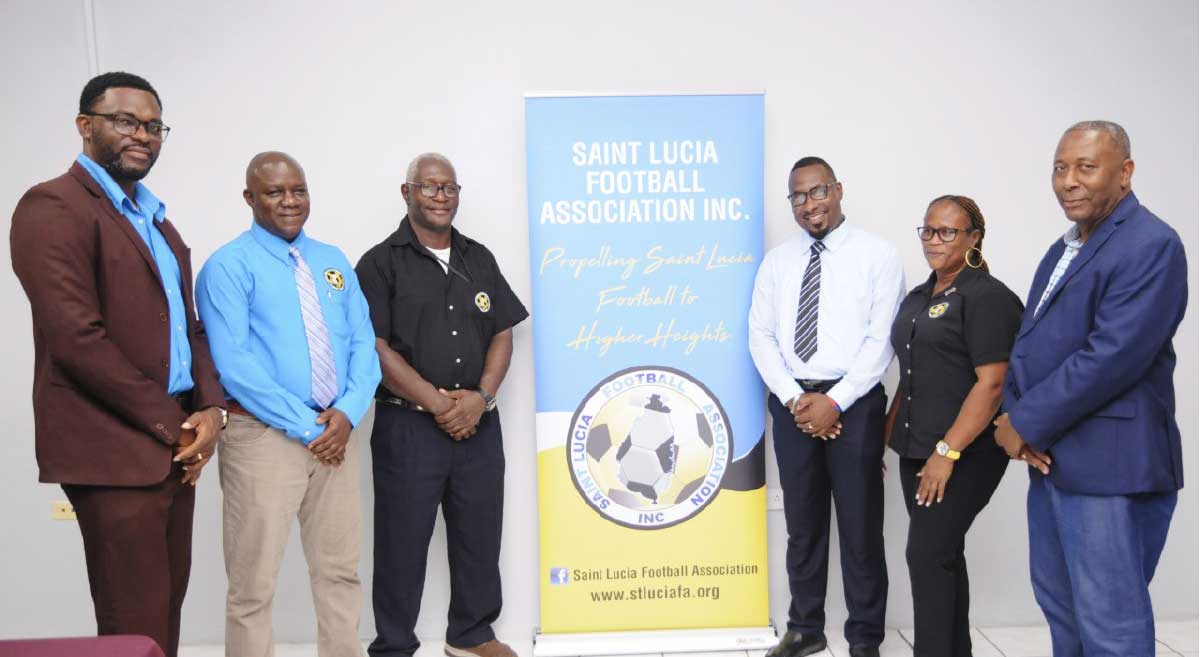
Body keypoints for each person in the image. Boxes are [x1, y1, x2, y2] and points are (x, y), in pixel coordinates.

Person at [9, 72, 226, 657]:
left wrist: (211, 409)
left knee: (164, 610)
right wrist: (175, 425)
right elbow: (77, 340)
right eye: (126, 121)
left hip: (173, 444)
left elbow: (188, 326)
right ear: (85, 126)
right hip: (113, 448)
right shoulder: (52, 206)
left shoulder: (155, 219)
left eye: (154, 127)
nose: (143, 136)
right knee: (134, 619)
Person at [994, 121, 1187, 657]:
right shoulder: (1064, 249)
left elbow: (1112, 356)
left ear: (1125, 173)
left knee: (1111, 626)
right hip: (1053, 459)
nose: (1069, 181)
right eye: (1060, 168)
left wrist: (1024, 421)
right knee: (1063, 613)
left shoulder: (1151, 244)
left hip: (1110, 468)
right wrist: (1016, 419)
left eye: (1086, 167)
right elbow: (1031, 343)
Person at [195, 152, 381, 657]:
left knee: (340, 573)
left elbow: (363, 343)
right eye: (274, 192)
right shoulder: (227, 267)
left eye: (298, 190)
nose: (289, 201)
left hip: (337, 434)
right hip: (264, 438)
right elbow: (233, 364)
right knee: (253, 585)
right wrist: (310, 427)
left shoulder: (332, 260)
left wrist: (347, 414)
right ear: (249, 198)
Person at [357, 153, 527, 657]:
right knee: (402, 540)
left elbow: (502, 331)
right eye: (429, 186)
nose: (440, 196)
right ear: (406, 192)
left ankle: (470, 635)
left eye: (449, 187)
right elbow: (374, 347)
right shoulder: (379, 262)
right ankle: (394, 645)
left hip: (478, 424)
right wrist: (438, 404)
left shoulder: (479, 258)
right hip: (408, 427)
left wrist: (482, 398)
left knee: (479, 533)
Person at [749, 156, 905, 657]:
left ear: (837, 190)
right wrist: (797, 400)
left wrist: (834, 402)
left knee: (860, 526)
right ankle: (805, 628)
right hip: (793, 403)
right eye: (798, 196)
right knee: (803, 524)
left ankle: (865, 639)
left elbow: (882, 340)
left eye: (817, 191)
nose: (809, 204)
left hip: (854, 403)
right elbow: (760, 335)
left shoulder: (878, 255)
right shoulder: (777, 262)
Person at [887, 196, 1022, 657]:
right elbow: (911, 375)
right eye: (927, 230)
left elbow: (993, 384)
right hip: (915, 451)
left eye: (947, 231)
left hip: (965, 453)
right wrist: (884, 440)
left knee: (926, 556)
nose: (933, 240)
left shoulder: (988, 298)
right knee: (942, 556)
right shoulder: (918, 297)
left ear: (973, 238)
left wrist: (946, 453)